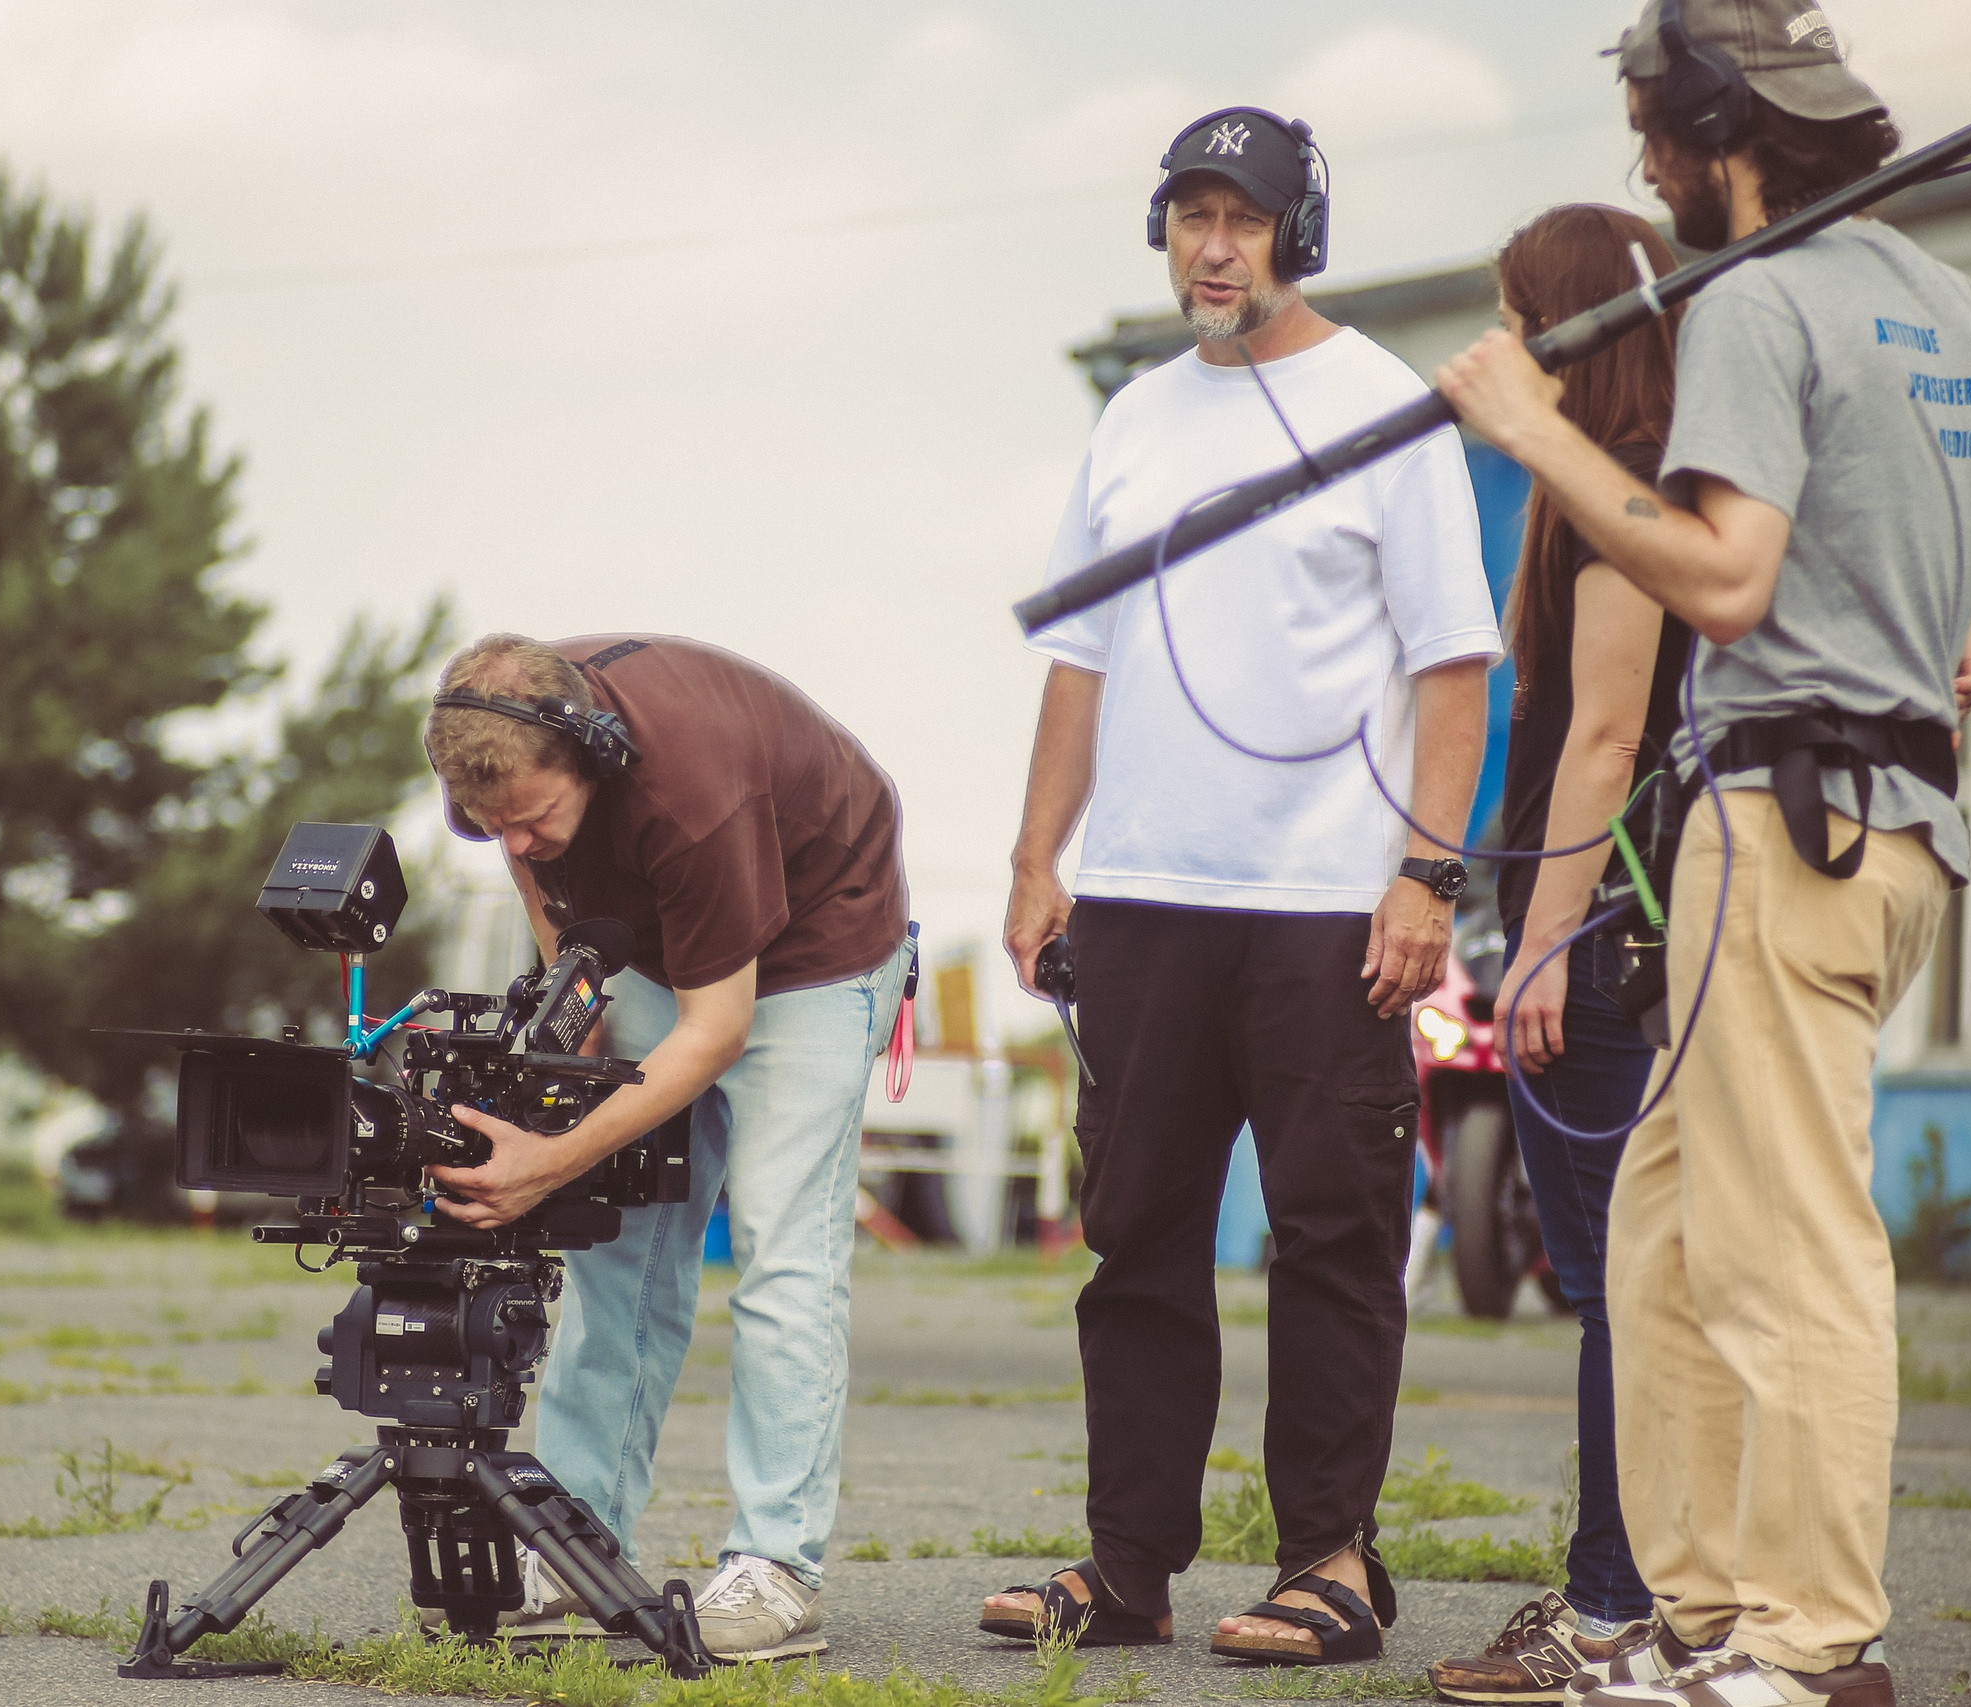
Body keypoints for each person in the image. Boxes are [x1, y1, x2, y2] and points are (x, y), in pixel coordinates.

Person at [1435, 3, 1971, 1701]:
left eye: (1652, 138)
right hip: (1883, 834)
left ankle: (1815, 1643)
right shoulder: (1935, 295)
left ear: (1715, 133)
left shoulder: (1754, 299)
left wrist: (1534, 432)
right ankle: (1696, 1618)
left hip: (1787, 828)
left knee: (1785, 1249)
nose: (1645, 172)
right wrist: (1968, 608)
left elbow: (1728, 579)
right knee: (1669, 1234)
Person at [980, 106, 1500, 1666]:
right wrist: (1037, 857)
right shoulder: (1136, 419)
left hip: (1329, 906)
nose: (1213, 249)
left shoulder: (1388, 409)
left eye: (1243, 219)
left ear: (1297, 234)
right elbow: (1080, 657)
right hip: (1141, 900)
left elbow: (1453, 667)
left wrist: (1424, 874)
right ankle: (1127, 1563)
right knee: (1135, 1235)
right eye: (1190, 217)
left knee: (1331, 1235)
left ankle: (1329, 1559)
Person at [424, 632, 912, 1664]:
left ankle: (778, 1567)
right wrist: (574, 991)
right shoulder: (493, 742)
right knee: (617, 1255)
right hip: (658, 945)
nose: (516, 842)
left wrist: (551, 1160)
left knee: (782, 1254)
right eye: (493, 825)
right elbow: (530, 866)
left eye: (535, 817)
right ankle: (574, 1544)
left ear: (591, 756)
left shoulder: (693, 792)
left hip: (816, 951)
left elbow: (716, 1031)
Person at [1427, 206, 1688, 1704]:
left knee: (1613, 1284)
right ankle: (1650, 1594)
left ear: (1573, 330)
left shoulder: (1620, 489)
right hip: (1620, 928)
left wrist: (1537, 945)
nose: (1502, 346)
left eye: (1518, 317)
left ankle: (1610, 1609)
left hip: (1598, 941)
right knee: (1634, 1280)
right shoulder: (1654, 479)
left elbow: (1604, 733)